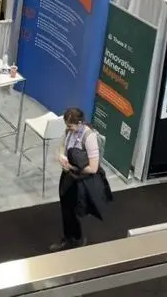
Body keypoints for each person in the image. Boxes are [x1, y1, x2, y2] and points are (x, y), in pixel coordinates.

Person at [51, 107, 111, 251]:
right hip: (67, 175)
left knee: (74, 210)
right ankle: (68, 237)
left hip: (79, 180)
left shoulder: (89, 137)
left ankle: (77, 239)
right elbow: (62, 147)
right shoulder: (68, 131)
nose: (68, 129)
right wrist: (61, 158)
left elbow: (93, 167)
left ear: (79, 123)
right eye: (67, 126)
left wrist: (72, 167)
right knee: (65, 208)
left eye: (70, 126)